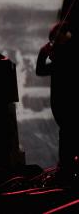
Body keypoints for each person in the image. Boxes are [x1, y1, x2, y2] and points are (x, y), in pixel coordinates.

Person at [36, 21, 79, 185]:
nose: (53, 42)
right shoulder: (61, 55)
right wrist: (43, 53)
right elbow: (40, 70)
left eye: (55, 37)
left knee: (69, 137)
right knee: (68, 136)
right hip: (62, 105)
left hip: (71, 104)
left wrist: (50, 53)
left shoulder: (70, 51)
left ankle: (67, 174)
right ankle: (67, 172)